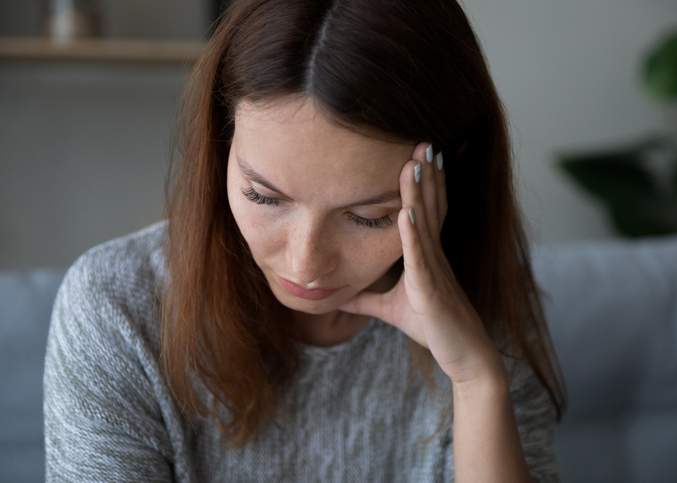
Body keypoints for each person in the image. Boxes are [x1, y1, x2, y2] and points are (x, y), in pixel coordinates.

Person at [43, 0, 567, 481]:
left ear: (449, 176)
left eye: (368, 217)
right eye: (265, 197)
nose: (305, 263)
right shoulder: (117, 308)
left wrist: (477, 378)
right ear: (223, 144)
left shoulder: (479, 306)